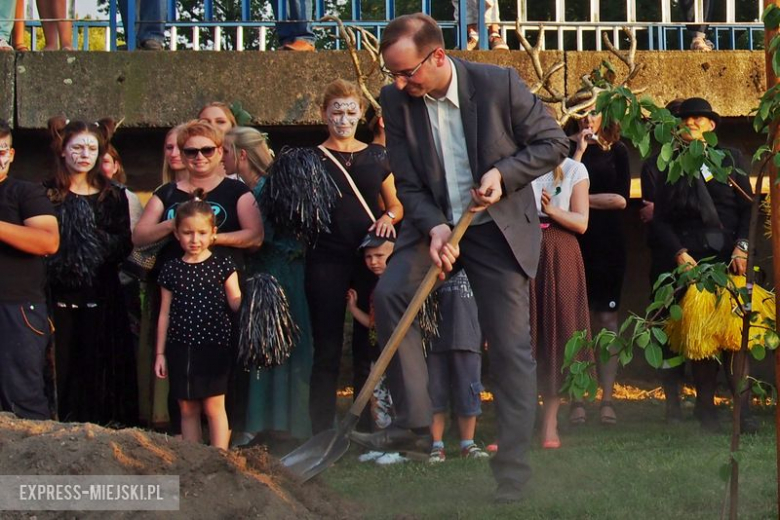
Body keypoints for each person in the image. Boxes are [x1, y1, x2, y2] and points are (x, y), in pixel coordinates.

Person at [349, 14, 569, 503]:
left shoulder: (497, 84)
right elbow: (406, 182)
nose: (401, 84)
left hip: (495, 229)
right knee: (390, 294)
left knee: (511, 350)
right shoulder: (395, 101)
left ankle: (511, 472)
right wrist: (434, 226)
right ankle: (414, 423)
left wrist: (505, 174)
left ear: (438, 56)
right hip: (436, 224)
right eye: (393, 75)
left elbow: (555, 142)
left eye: (408, 73)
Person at [133, 121, 263, 433]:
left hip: (221, 293)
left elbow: (255, 236)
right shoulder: (166, 193)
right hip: (175, 291)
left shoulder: (237, 192)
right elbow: (139, 236)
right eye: (191, 151)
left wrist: (209, 238)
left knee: (222, 387)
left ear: (220, 152)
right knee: (183, 391)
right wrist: (176, 224)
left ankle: (225, 450)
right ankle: (187, 451)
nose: (199, 156)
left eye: (207, 149)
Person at [651, 97, 756, 433]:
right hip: (693, 266)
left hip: (732, 264)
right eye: (686, 119)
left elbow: (749, 209)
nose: (691, 123)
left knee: (737, 342)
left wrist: (742, 249)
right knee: (701, 341)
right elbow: (660, 222)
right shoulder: (671, 167)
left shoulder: (733, 158)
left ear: (711, 125)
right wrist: (680, 253)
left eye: (698, 118)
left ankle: (744, 413)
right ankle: (706, 410)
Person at [307, 78, 402, 435]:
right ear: (324, 114)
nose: (343, 119)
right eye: (336, 112)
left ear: (361, 113)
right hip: (325, 257)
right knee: (326, 346)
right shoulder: (312, 158)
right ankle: (321, 429)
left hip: (367, 256)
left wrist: (387, 218)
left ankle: (367, 423)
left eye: (350, 111)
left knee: (368, 344)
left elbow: (396, 205)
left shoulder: (377, 156)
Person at [222, 126, 315, 443]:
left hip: (274, 278)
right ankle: (278, 424)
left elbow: (261, 239)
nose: (221, 158)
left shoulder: (265, 190)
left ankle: (268, 425)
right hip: (281, 274)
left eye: (225, 151)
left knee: (271, 342)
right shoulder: (265, 187)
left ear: (241, 155)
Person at [44, 117, 137, 425]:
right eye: (78, 147)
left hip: (102, 290)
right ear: (62, 151)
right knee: (63, 360)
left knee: (100, 361)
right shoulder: (46, 194)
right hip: (57, 292)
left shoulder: (112, 196)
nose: (85, 154)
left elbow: (123, 242)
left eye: (92, 148)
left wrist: (88, 241)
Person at [154, 190, 241, 450]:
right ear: (177, 234)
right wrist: (160, 353)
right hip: (181, 347)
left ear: (213, 233)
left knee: (214, 405)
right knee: (187, 405)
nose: (195, 239)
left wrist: (258, 300)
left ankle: (220, 458)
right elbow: (164, 313)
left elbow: (235, 301)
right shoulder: (171, 269)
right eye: (188, 233)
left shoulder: (223, 265)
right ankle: (194, 461)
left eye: (202, 233)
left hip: (214, 346)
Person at [570, 109, 629, 426]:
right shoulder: (567, 149)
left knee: (607, 319)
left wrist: (580, 200)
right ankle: (576, 397)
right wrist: (577, 150)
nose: (586, 119)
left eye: (592, 112)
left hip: (608, 245)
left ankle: (607, 398)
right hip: (575, 243)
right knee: (577, 321)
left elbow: (621, 199)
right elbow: (558, 187)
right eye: (580, 113)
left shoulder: (616, 150)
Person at [0, 119, 59, 420]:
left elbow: (48, 241)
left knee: (22, 399)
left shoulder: (24, 192)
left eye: (1, 151)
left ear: (11, 154)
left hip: (16, 307)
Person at [530, 158, 590, 447]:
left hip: (559, 249)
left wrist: (552, 210)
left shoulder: (574, 169)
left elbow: (581, 222)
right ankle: (521, 419)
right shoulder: (517, 163)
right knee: (524, 333)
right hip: (523, 249)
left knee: (557, 330)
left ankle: (550, 423)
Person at [639, 98, 686, 423]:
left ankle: (709, 402)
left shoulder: (705, 161)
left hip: (702, 257)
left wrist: (663, 212)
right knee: (667, 331)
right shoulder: (654, 164)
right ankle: (673, 403)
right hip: (665, 261)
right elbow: (652, 215)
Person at [346, 233, 404, 465]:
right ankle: (381, 443)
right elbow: (373, 322)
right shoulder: (376, 286)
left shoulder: (398, 283)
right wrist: (352, 308)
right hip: (375, 351)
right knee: (377, 400)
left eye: (380, 255)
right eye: (369, 257)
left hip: (395, 354)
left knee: (394, 399)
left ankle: (397, 447)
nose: (373, 261)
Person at [425, 270, 489, 463]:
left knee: (468, 392)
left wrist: (489, 332)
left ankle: (467, 444)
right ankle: (436, 446)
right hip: (434, 340)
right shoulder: (432, 260)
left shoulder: (477, 262)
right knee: (434, 393)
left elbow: (489, 303)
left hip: (468, 337)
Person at [101, 145, 143, 230]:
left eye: (105, 162)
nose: (100, 167)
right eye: (96, 162)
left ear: (115, 167)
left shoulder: (129, 199)